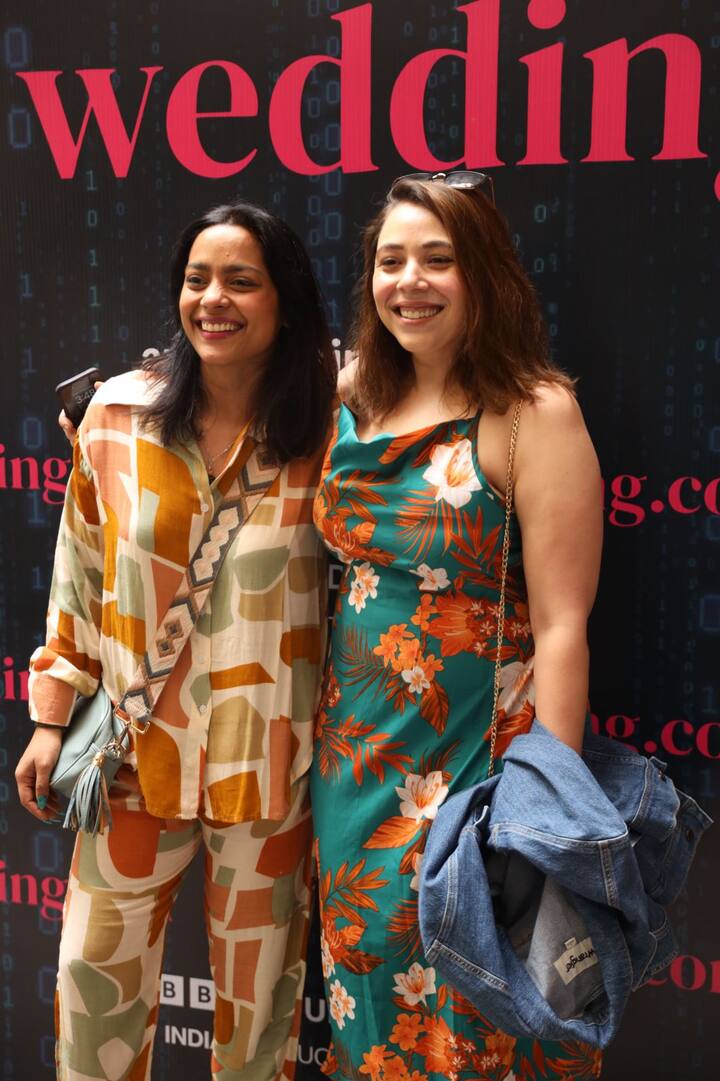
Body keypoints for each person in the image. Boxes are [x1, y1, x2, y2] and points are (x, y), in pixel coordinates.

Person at [15, 201, 336, 1081]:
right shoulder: (118, 418)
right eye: (198, 280)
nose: (214, 300)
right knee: (93, 987)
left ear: (285, 299)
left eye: (241, 280)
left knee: (262, 1008)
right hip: (131, 758)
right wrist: (51, 716)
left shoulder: (334, 429)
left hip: (270, 768)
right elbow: (79, 577)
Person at [311, 173, 604, 1079]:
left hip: (481, 769)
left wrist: (540, 816)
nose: (410, 281)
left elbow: (562, 626)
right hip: (355, 767)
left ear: (484, 273)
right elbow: (216, 392)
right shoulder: (353, 392)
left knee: (480, 1009)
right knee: (369, 990)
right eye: (390, 261)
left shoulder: (533, 413)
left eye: (438, 259)